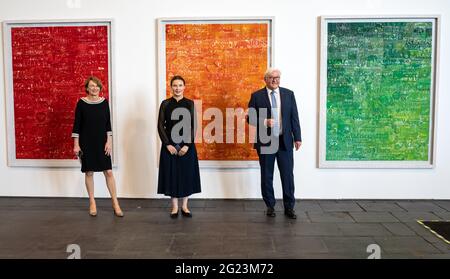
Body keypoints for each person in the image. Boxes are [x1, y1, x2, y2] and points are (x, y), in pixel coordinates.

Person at [248, 68, 302, 219]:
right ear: (265, 79)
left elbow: (294, 117)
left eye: (277, 77)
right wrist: (264, 121)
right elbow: (249, 118)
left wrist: (297, 137)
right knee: (267, 175)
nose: (274, 80)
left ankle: (289, 207)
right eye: (271, 77)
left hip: (284, 142)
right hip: (266, 142)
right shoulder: (256, 96)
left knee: (287, 175)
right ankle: (270, 206)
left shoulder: (288, 94)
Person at [72, 76, 124, 217]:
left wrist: (109, 141)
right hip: (87, 142)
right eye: (91, 86)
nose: (94, 88)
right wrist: (76, 145)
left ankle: (115, 203)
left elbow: (108, 124)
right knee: (89, 172)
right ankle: (92, 202)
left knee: (108, 172)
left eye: (97, 86)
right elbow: (76, 125)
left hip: (102, 142)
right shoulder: (81, 103)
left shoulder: (104, 103)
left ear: (100, 88)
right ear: (87, 88)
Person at [157, 75, 201, 218]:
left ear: (184, 87)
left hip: (186, 146)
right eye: (175, 85)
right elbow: (160, 126)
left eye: (180, 85)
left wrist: (187, 145)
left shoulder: (190, 103)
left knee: (186, 174)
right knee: (171, 175)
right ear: (171, 87)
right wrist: (167, 144)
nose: (177, 88)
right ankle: (175, 207)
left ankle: (185, 206)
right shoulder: (165, 104)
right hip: (169, 146)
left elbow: (193, 126)